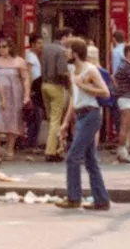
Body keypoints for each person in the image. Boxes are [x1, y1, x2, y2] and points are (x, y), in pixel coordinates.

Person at [55, 38, 112, 212]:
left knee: (73, 156)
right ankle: (101, 200)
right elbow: (74, 98)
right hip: (80, 115)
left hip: (91, 114)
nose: (65, 53)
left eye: (67, 50)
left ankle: (74, 197)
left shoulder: (90, 70)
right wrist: (65, 122)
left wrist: (85, 87)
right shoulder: (72, 70)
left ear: (76, 52)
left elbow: (105, 92)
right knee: (90, 161)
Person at [0, 39, 29, 159]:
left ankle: (10, 149)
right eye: (0, 47)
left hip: (14, 94)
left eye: (4, 46)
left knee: (13, 120)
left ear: (11, 47)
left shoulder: (19, 61)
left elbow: (25, 79)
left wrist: (26, 95)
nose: (1, 49)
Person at [40, 29, 71, 162]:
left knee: (51, 118)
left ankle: (55, 147)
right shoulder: (62, 50)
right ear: (64, 37)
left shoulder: (45, 48)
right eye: (70, 37)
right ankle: (51, 151)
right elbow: (61, 71)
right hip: (56, 86)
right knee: (56, 120)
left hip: (44, 85)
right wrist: (69, 83)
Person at [113, 44, 130, 163]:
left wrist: (118, 89)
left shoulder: (125, 65)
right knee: (125, 125)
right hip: (126, 99)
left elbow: (113, 77)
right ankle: (122, 151)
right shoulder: (128, 66)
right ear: (129, 52)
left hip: (128, 98)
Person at [24, 34, 44, 149]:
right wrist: (30, 89)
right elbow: (29, 72)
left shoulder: (35, 56)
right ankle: (31, 143)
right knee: (36, 115)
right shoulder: (31, 56)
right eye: (39, 43)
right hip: (34, 87)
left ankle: (32, 142)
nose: (41, 46)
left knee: (36, 115)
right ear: (32, 44)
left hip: (37, 85)